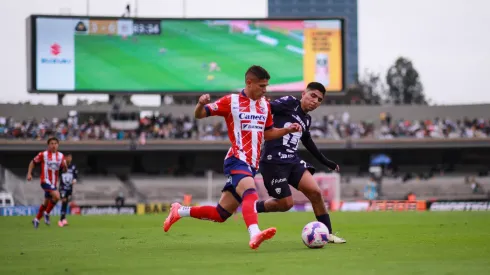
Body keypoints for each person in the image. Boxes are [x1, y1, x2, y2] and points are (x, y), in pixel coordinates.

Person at [163, 65, 302, 249]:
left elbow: (267, 133)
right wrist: (200, 104)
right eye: (261, 86)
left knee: (220, 214)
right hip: (237, 158)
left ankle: (179, 211)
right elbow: (200, 115)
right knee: (251, 192)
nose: (264, 90)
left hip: (251, 164)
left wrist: (286, 130)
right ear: (249, 83)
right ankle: (254, 233)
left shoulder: (265, 105)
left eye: (266, 86)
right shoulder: (231, 101)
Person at [255, 82, 346, 243]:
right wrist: (263, 104)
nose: (315, 101)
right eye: (313, 96)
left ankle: (327, 233)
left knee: (316, 193)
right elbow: (267, 108)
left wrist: (327, 162)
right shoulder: (289, 102)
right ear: (303, 94)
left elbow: (308, 142)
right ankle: (253, 207)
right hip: (273, 162)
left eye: (319, 100)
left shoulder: (307, 119)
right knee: (285, 204)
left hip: (292, 160)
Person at [27, 137, 67, 229]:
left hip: (53, 183)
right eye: (51, 143)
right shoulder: (43, 154)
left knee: (46, 203)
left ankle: (36, 219)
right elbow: (33, 162)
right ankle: (47, 213)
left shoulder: (61, 156)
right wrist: (29, 173)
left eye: (55, 143)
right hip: (45, 181)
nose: (53, 145)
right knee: (57, 196)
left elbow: (63, 169)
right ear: (48, 145)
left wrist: (65, 167)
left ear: (58, 145)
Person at [58, 152, 78, 227]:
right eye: (68, 157)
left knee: (66, 202)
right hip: (63, 187)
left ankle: (63, 218)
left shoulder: (73, 166)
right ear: (65, 158)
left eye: (70, 157)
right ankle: (61, 220)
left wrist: (74, 180)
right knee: (64, 200)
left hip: (69, 187)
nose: (69, 158)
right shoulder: (62, 166)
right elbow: (58, 174)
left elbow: (75, 176)